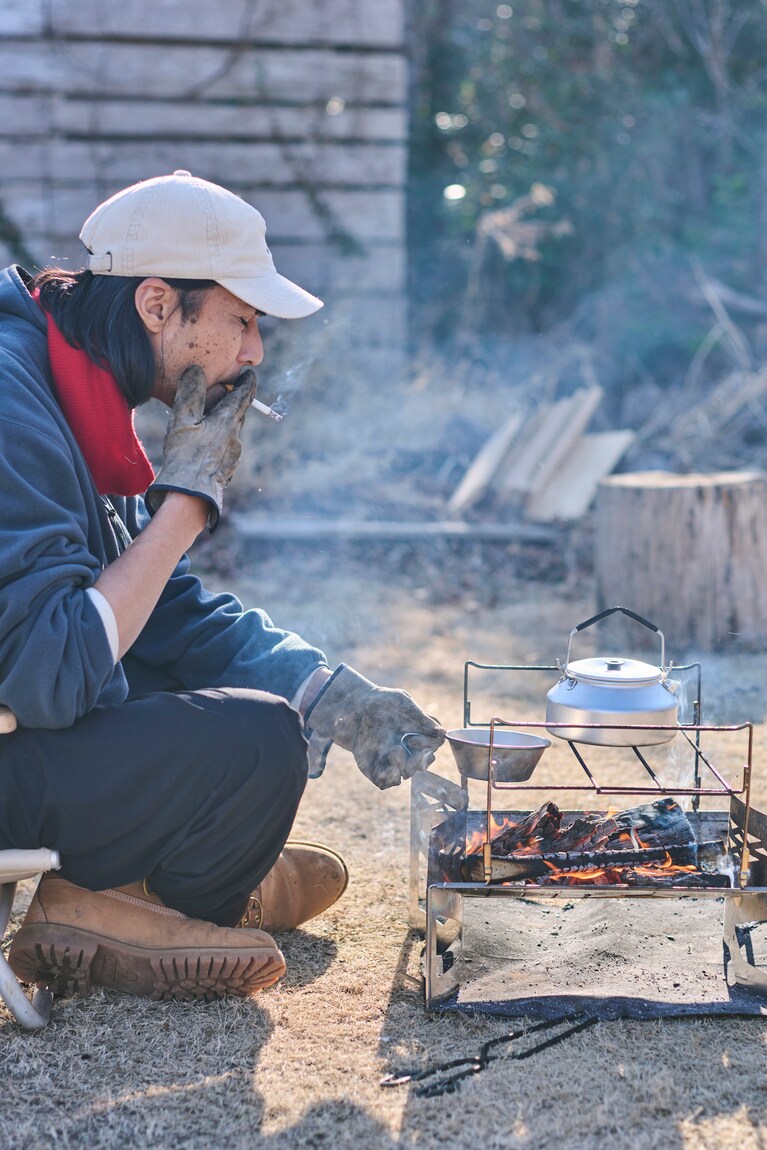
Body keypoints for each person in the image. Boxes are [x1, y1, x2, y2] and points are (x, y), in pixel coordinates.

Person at [0, 170, 444, 1003]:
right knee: (255, 742)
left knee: (244, 694)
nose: (253, 351)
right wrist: (187, 499)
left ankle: (154, 878)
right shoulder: (8, 400)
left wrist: (335, 697)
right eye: (241, 318)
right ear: (158, 304)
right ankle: (116, 898)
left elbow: (163, 613)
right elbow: (48, 674)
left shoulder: (62, 383)